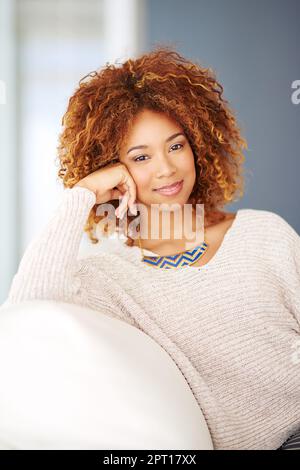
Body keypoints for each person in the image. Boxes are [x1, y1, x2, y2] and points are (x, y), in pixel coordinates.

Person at [5, 45, 300, 450]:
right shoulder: (110, 278)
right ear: (113, 169)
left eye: (176, 145)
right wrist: (84, 195)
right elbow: (27, 314)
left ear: (198, 145)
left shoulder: (265, 233)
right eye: (140, 157)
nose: (166, 168)